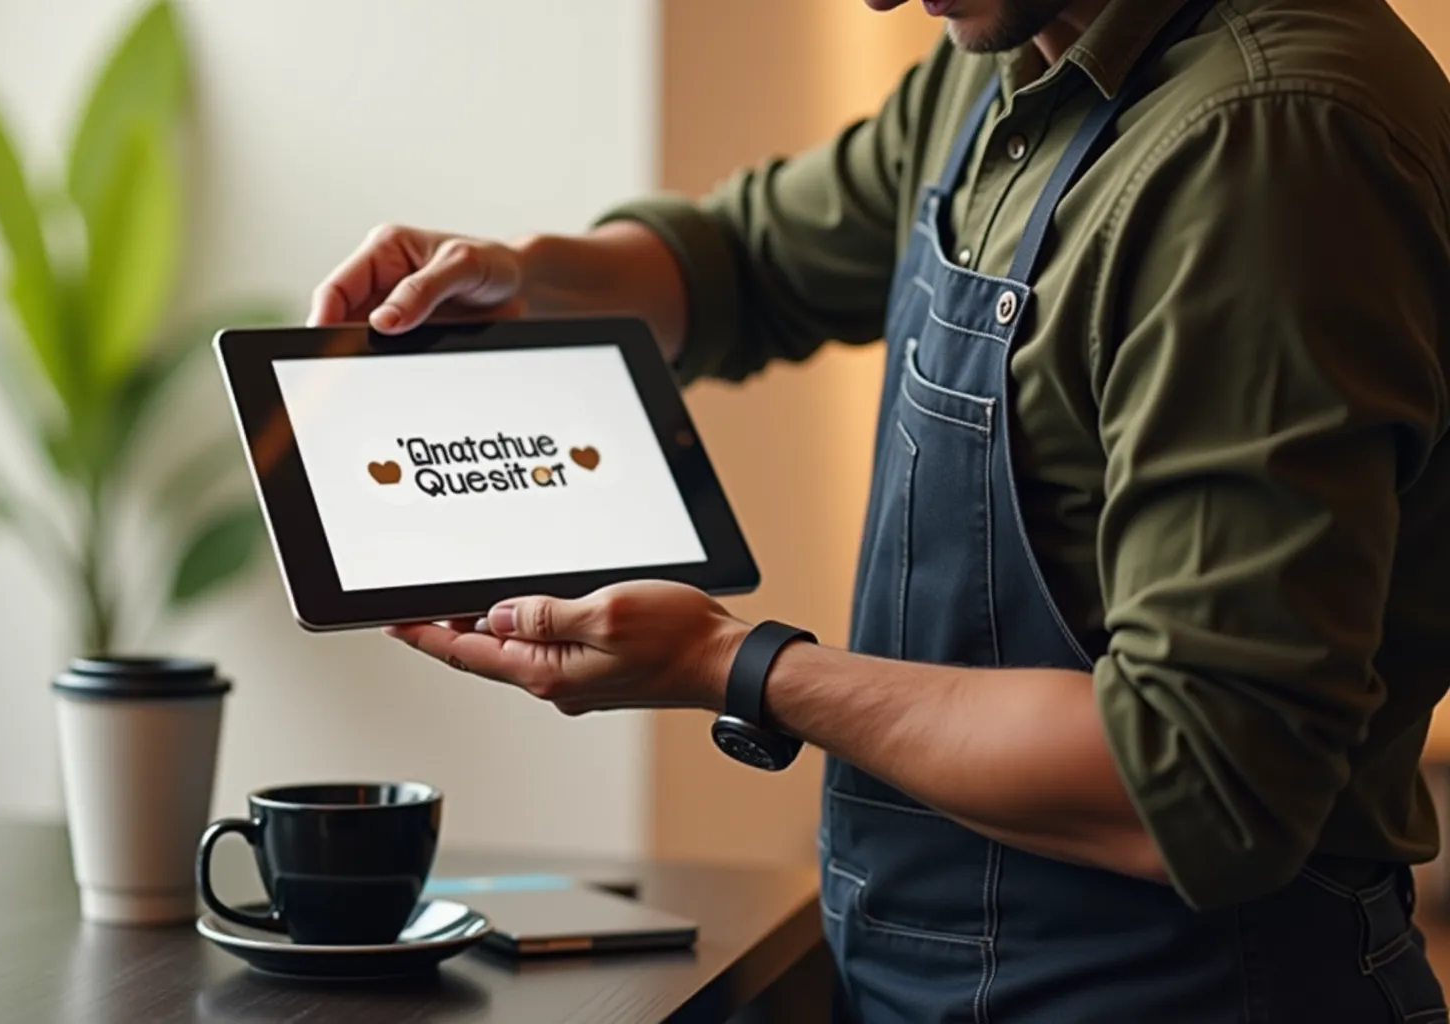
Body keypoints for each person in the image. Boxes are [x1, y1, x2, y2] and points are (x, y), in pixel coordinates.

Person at [310, 0, 1450, 1019]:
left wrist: (738, 665)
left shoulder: (1265, 144)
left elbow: (1197, 775)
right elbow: (746, 261)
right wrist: (525, 276)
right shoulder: (1006, 57)